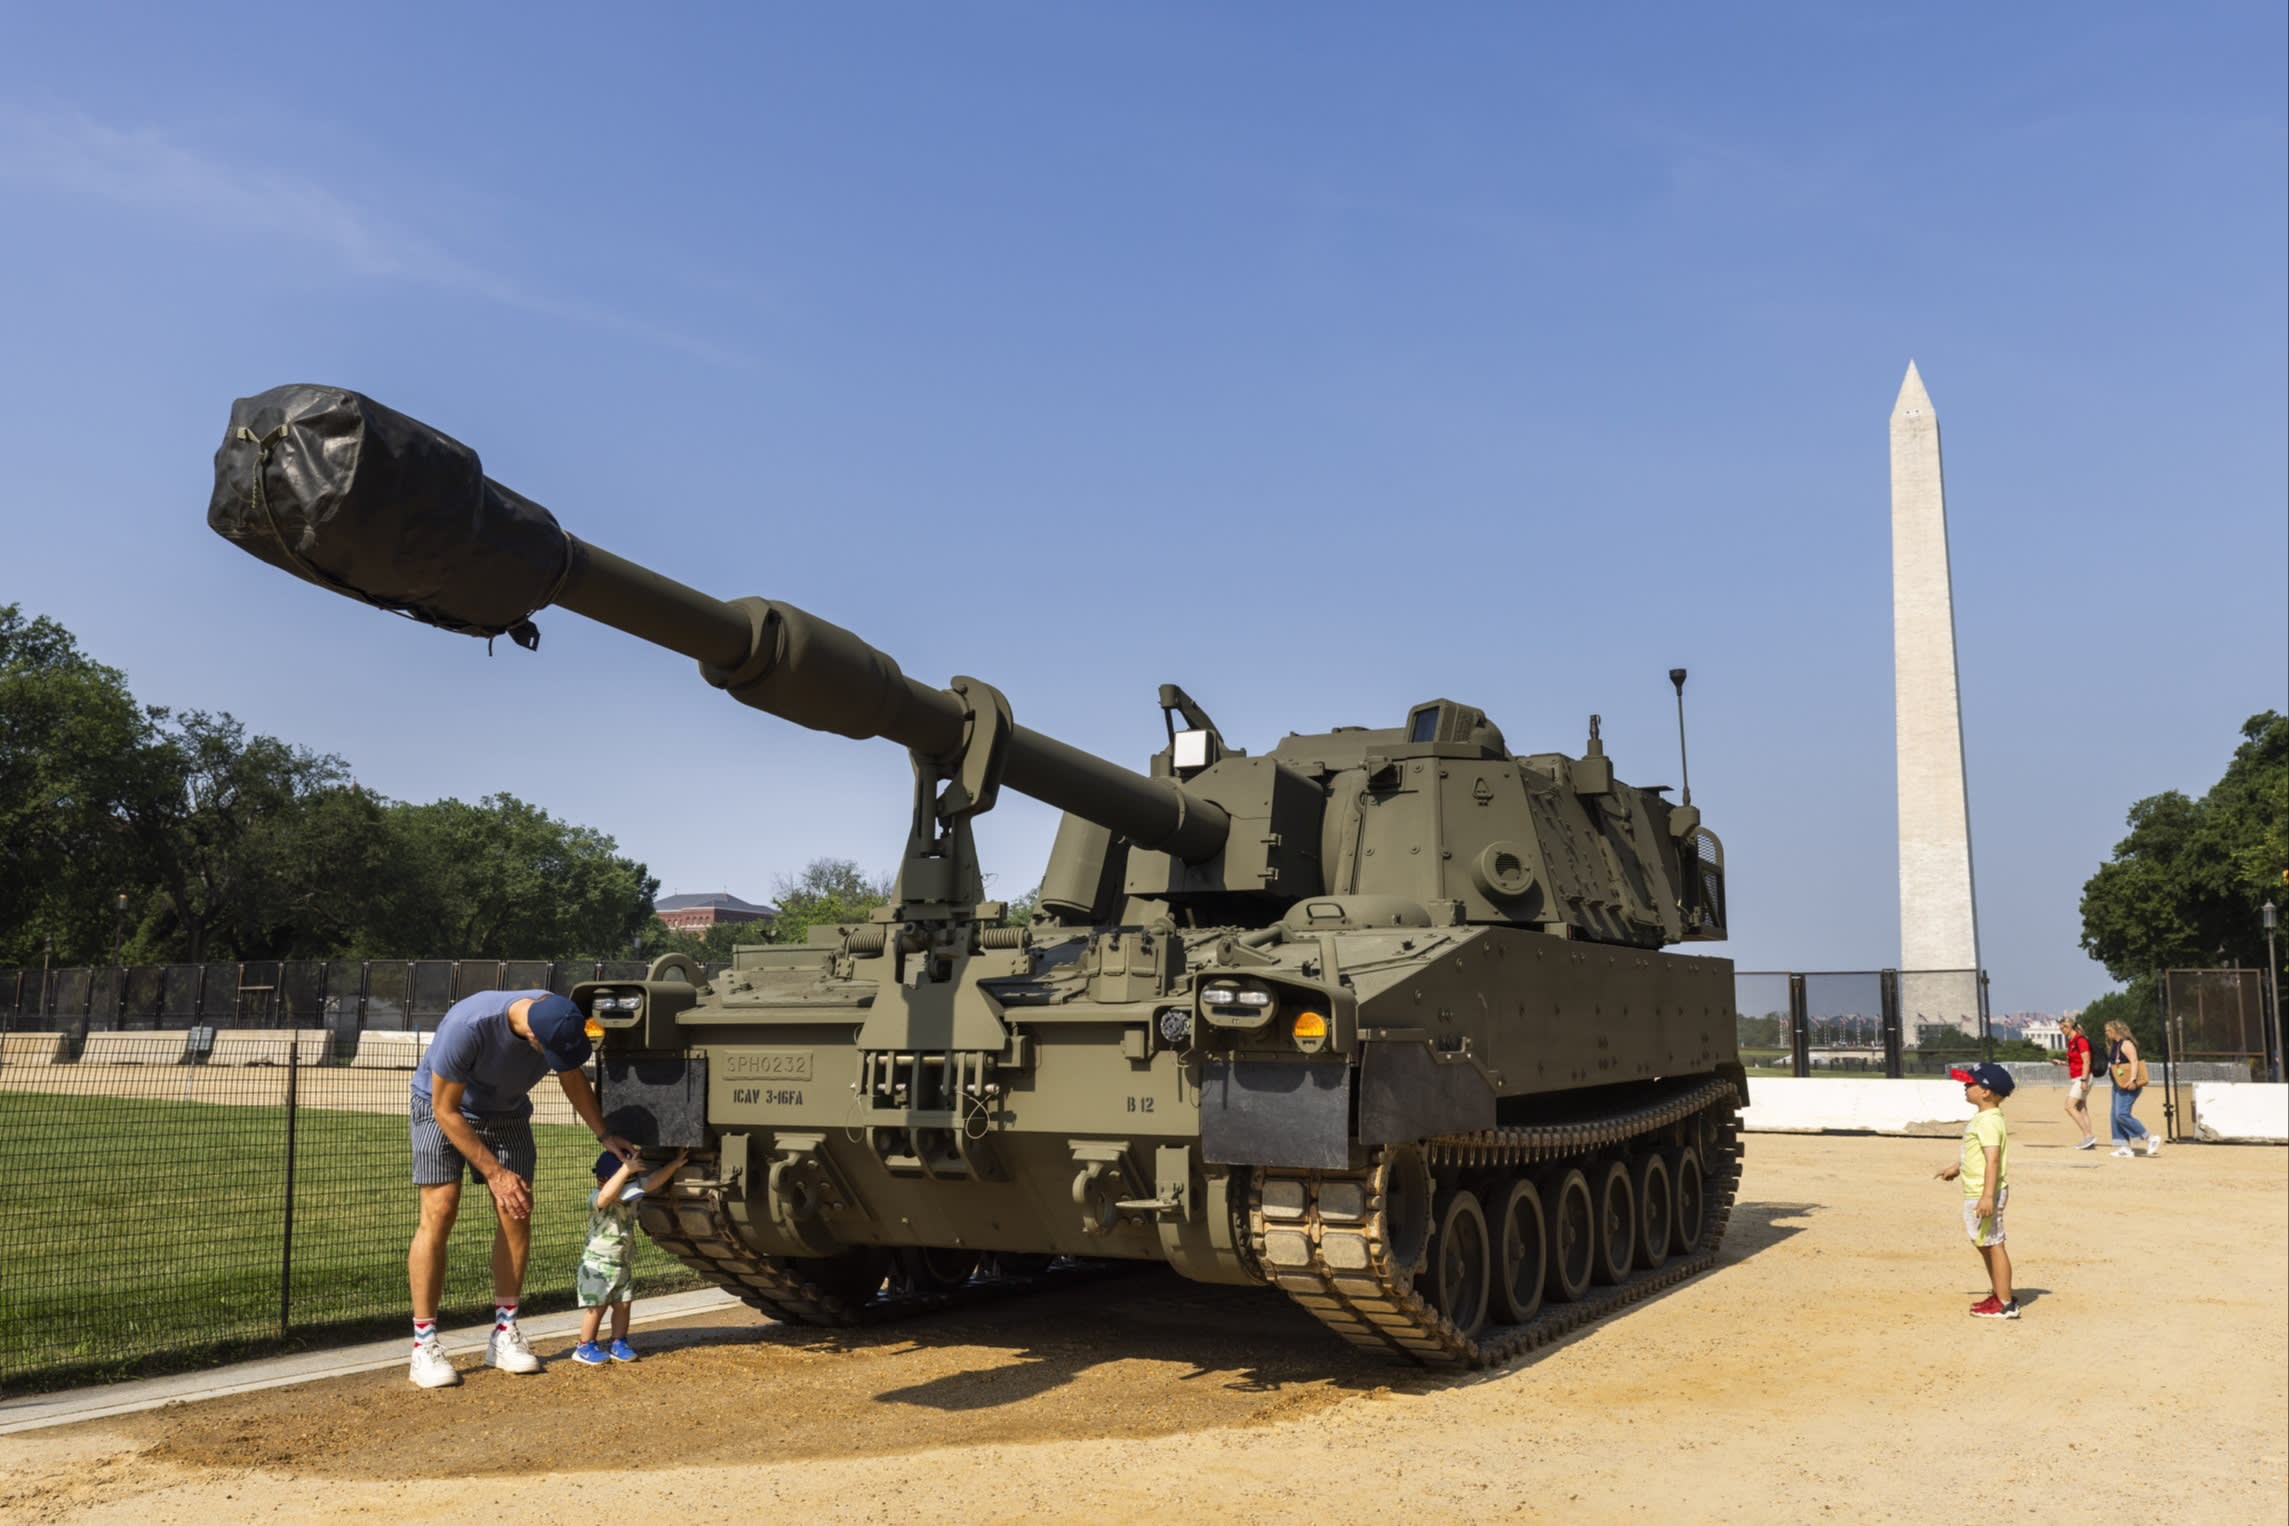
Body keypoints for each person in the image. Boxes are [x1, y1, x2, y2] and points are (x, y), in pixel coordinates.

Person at [406, 989, 634, 1389]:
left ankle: (504, 1334)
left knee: (517, 1211)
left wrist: (604, 1134)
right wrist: (495, 1173)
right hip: (442, 1109)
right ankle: (424, 1345)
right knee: (440, 1210)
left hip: (508, 1114)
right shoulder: (468, 1027)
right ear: (532, 1039)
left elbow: (572, 1078)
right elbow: (445, 1109)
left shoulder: (556, 1016)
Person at [573, 1147, 690, 1365]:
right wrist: (626, 1169)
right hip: (597, 1265)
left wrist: (673, 1165)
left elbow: (653, 1181)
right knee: (596, 1307)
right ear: (602, 1181)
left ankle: (618, 1342)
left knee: (623, 1304)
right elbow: (607, 1195)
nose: (630, 1196)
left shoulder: (630, 1197)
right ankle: (584, 1345)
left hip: (621, 1263)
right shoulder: (597, 1199)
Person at [1935, 1061, 2017, 1319]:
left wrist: (1987, 1196)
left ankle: (2005, 1302)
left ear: (1986, 1091)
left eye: (1970, 1083)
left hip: (1984, 1192)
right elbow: (1978, 1155)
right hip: (1978, 1190)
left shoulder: (1989, 1122)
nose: (1965, 1086)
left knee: (1994, 1243)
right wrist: (1957, 1167)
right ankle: (1998, 1293)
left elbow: (1992, 1159)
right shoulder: (1985, 1119)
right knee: (1984, 1242)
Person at [2103, 1019, 2161, 1159]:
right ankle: (2123, 1147)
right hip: (2119, 1084)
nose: (2106, 1033)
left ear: (2116, 1030)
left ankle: (2149, 1137)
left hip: (2129, 1085)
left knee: (2121, 1114)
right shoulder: (2115, 1045)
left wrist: (2133, 1079)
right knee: (2114, 1115)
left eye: (2108, 1030)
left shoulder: (2126, 1043)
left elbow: (2134, 1061)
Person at [2049, 1016, 2098, 1149]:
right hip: (2079, 1076)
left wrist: (2083, 1079)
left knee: (2069, 1106)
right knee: (2081, 1108)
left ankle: (2088, 1136)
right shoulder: (2071, 1041)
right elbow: (2075, 1062)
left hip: (2083, 1077)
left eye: (2062, 1028)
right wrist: (2060, 1063)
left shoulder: (2080, 1040)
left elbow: (2086, 1061)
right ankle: (2088, 1138)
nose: (2061, 1031)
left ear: (2069, 1026)